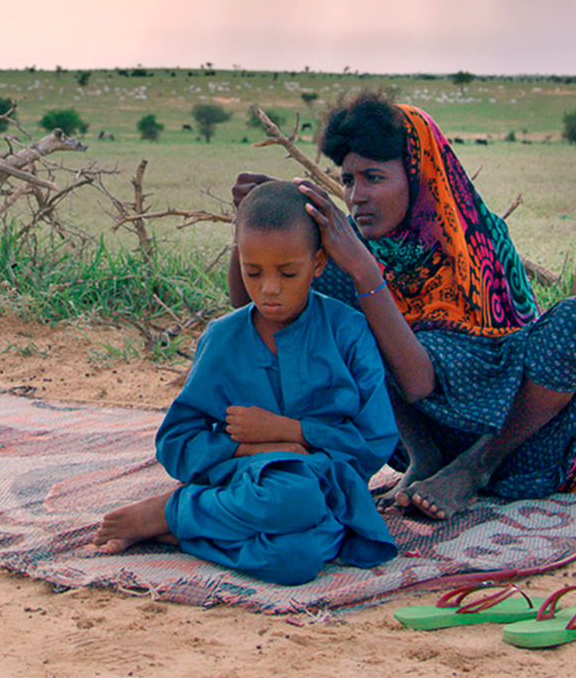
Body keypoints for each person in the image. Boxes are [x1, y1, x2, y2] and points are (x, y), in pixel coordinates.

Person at [234, 92, 576, 521]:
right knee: (331, 291)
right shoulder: (362, 258)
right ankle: (425, 458)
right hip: (423, 435)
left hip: (520, 448)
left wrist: (364, 270)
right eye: (348, 180)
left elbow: (419, 383)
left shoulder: (476, 244)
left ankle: (472, 471)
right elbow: (258, 316)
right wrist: (250, 220)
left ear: (419, 176)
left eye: (374, 178)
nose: (356, 196)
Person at [89, 181, 399, 586]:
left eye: (288, 272)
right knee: (291, 500)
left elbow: (376, 441)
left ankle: (179, 521)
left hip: (330, 489)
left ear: (319, 262)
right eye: (253, 272)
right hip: (245, 481)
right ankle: (177, 514)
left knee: (296, 560)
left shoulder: (348, 332)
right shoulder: (223, 338)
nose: (269, 288)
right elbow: (176, 442)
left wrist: (293, 433)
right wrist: (250, 445)